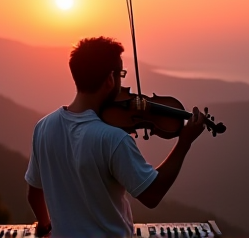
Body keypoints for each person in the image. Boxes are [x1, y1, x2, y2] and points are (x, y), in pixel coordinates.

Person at [25, 36, 206, 238]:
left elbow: (34, 193)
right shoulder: (113, 139)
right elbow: (152, 194)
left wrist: (45, 225)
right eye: (120, 74)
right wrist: (184, 142)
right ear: (110, 79)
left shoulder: (43, 127)